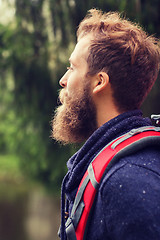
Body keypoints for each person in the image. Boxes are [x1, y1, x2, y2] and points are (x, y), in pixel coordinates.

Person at [52, 9, 160, 240]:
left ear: (99, 81)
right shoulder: (121, 171)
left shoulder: (127, 181)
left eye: (72, 67)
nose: (63, 80)